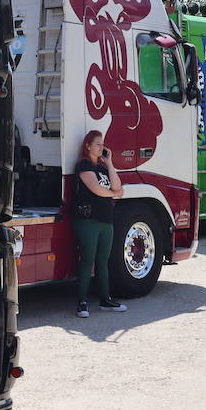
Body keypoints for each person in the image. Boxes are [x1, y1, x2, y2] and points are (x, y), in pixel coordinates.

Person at [72, 131, 128, 316]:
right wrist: (114, 194)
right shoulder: (84, 165)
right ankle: (82, 302)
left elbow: (117, 185)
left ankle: (106, 300)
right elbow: (97, 190)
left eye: (102, 144)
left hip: (106, 221)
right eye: (97, 144)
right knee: (88, 260)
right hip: (88, 221)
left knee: (103, 261)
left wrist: (110, 162)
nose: (101, 147)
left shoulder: (103, 168)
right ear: (87, 145)